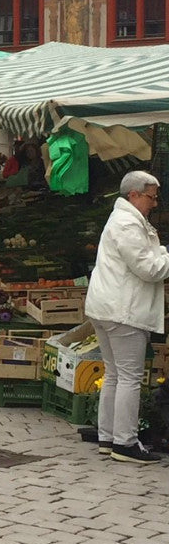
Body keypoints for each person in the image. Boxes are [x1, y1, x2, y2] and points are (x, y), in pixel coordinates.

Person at [85, 171, 169, 464]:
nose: (155, 203)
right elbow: (150, 268)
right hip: (123, 310)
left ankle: (108, 438)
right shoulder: (127, 223)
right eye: (151, 197)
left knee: (115, 375)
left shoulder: (124, 220)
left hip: (108, 306)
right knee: (129, 377)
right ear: (133, 195)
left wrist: (160, 253)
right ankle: (125, 443)